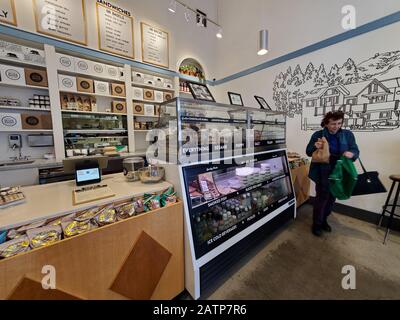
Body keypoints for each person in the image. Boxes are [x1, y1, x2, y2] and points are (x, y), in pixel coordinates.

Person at [306, 111, 359, 237]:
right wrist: (315, 146)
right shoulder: (318, 135)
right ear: (326, 123)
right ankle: (317, 224)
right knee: (321, 198)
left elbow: (355, 150)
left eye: (339, 123)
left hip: (339, 170)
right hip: (322, 170)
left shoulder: (347, 135)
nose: (336, 126)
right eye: (333, 123)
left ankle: (324, 219)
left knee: (332, 197)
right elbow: (308, 152)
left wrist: (352, 154)